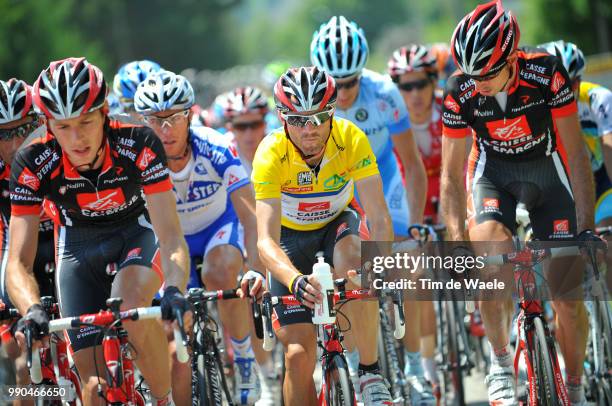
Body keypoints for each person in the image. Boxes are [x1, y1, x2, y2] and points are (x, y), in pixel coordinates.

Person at [6, 57, 191, 406]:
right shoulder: (32, 160)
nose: (77, 138)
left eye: (86, 122)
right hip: (77, 247)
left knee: (131, 303)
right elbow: (17, 261)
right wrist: (31, 308)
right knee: (91, 390)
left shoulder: (138, 142)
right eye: (63, 127)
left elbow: (170, 236)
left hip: (135, 232)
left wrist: (176, 289)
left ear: (105, 111)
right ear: (47, 124)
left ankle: (163, 399)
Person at [441, 1, 594, 405]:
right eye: (473, 73)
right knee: (489, 258)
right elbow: (450, 176)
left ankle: (575, 387)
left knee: (569, 298)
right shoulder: (460, 92)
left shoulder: (546, 73)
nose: (480, 82)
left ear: (512, 57)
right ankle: (501, 362)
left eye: (489, 71)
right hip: (493, 176)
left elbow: (576, 155)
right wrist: (457, 241)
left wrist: (587, 228)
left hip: (546, 172)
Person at [253, 66, 394, 405]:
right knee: (298, 355)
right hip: (289, 242)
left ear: (332, 111)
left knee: (356, 260)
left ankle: (370, 372)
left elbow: (377, 214)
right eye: (299, 120)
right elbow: (265, 242)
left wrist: (381, 262)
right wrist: (294, 281)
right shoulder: (270, 153)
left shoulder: (350, 138)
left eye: (319, 117)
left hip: (337, 225)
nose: (310, 128)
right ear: (282, 117)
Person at [134, 71, 266, 405]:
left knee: (219, 272)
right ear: (142, 121)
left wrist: (255, 267)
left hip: (217, 228)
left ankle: (244, 356)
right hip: (170, 241)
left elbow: (250, 215)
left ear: (190, 115)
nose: (165, 130)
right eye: (155, 120)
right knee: (174, 327)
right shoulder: (135, 159)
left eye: (174, 118)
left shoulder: (217, 146)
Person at [310, 15, 427, 240]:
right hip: (335, 186)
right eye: (336, 84)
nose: (343, 94)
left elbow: (412, 163)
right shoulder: (310, 104)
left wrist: (416, 224)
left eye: (351, 82)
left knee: (402, 253)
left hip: (383, 176)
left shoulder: (384, 93)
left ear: (361, 72)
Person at [387, 44, 445, 402]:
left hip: (447, 189)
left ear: (433, 82)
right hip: (409, 197)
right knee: (418, 276)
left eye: (420, 84)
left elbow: (466, 167)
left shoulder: (447, 111)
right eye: (404, 87)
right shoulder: (393, 120)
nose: (414, 94)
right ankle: (428, 369)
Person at [0, 78, 54, 406]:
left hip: (68, 247)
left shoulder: (59, 153)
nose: (18, 141)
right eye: (5, 133)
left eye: (26, 127)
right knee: (23, 358)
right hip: (22, 257)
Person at [539, 40, 612, 227]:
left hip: (602, 181)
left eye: (570, 84)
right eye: (559, 86)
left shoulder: (598, 98)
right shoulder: (535, 107)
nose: (565, 92)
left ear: (579, 80)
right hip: (561, 186)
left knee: (604, 238)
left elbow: (609, 148)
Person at [219, 86, 271, 175]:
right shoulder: (221, 154)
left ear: (264, 125)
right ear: (230, 128)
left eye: (255, 125)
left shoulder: (281, 148)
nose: (249, 133)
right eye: (241, 127)